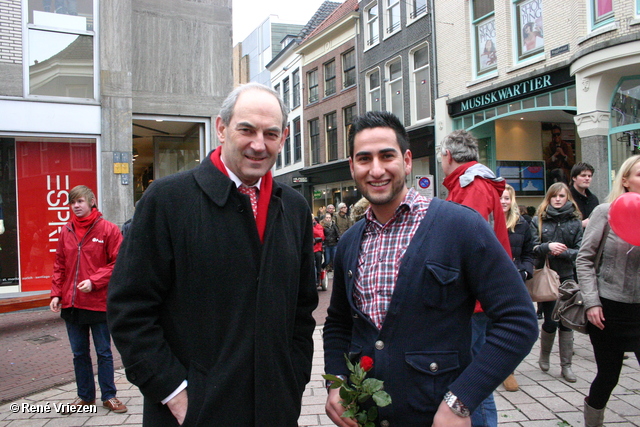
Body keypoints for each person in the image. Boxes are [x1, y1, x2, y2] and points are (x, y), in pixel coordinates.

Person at [107, 83, 318, 426]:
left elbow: (301, 307)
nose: (258, 144)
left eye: (271, 133)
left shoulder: (294, 208)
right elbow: (129, 309)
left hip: (275, 410)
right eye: (246, 130)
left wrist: (293, 378)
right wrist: (174, 394)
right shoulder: (167, 200)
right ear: (221, 128)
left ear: (284, 137)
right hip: (192, 414)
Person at [323, 111, 538, 427]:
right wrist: (336, 381)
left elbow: (518, 320)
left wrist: (460, 402)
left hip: (438, 416)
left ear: (407, 161)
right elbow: (339, 322)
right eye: (364, 159)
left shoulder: (460, 226)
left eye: (387, 156)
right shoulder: (350, 242)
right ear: (352, 167)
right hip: (368, 415)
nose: (376, 169)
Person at [440, 129, 511, 427]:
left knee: (471, 382)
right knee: (474, 378)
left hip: (474, 300)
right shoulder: (474, 184)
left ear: (449, 156)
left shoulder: (471, 187)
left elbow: (463, 246)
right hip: (478, 297)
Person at [50, 185, 127, 414]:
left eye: (80, 201)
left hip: (98, 302)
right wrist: (56, 293)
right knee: (79, 353)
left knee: (103, 351)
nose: (76, 206)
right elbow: (59, 264)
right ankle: (85, 397)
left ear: (92, 201)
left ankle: (109, 396)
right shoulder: (66, 230)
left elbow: (118, 263)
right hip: (72, 303)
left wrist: (94, 281)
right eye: (73, 202)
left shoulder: (109, 230)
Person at [577, 155, 640, 427]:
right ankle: (594, 421)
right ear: (625, 181)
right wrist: (591, 302)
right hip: (608, 310)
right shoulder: (606, 211)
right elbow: (584, 259)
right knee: (609, 375)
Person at [530, 182, 583, 383]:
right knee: (551, 321)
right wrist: (547, 246)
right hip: (548, 276)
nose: (558, 199)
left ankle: (566, 366)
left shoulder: (575, 222)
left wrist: (565, 252)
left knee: (568, 322)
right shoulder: (539, 220)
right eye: (554, 196)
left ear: (568, 198)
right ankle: (544, 355)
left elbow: (582, 251)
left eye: (562, 196)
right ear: (549, 198)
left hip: (568, 277)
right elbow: (533, 247)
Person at [500, 184, 535, 392]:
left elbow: (529, 253)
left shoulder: (522, 224)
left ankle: (509, 370)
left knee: (514, 329)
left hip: (516, 283)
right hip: (492, 283)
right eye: (500, 198)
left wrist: (524, 271)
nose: (503, 202)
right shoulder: (486, 220)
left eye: (507, 198)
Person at [569, 162, 599, 229]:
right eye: (583, 175)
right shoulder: (566, 198)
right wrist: (581, 224)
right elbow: (560, 225)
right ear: (574, 178)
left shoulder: (593, 199)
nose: (587, 178)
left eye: (589, 176)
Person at [313, 215, 325, 289]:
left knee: (318, 258)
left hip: (317, 248)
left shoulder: (318, 226)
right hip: (308, 249)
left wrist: (313, 228)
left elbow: (321, 236)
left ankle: (318, 277)